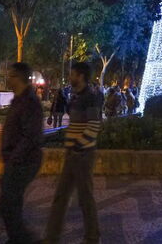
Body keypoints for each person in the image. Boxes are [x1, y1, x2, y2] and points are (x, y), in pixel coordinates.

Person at [44, 61, 103, 243]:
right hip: (72, 154)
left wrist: (78, 146)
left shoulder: (90, 98)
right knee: (61, 196)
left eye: (73, 74)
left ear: (81, 76)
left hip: (83, 155)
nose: (70, 77)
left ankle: (92, 237)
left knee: (85, 198)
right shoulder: (75, 97)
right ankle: (51, 237)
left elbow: (94, 125)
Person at [0, 62, 44, 244]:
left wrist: (12, 159)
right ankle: (17, 238)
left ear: (19, 78)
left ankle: (23, 240)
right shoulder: (19, 100)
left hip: (23, 162)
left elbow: (30, 137)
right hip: (15, 160)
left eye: (10, 75)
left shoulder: (30, 103)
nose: (7, 78)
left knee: (9, 204)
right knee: (9, 205)